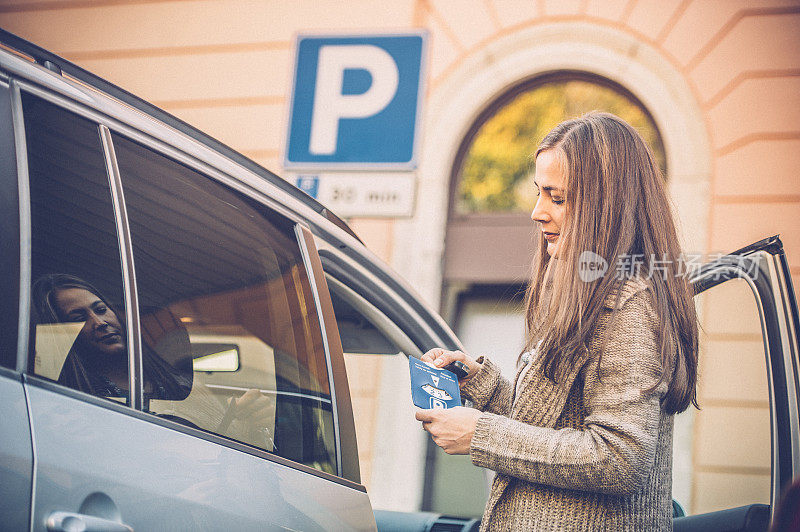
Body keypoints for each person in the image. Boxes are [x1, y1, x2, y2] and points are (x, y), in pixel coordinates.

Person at [416, 112, 699, 531]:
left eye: (557, 198)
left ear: (606, 206)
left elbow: (620, 457)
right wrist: (482, 385)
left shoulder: (631, 307)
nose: (537, 212)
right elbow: (558, 421)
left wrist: (482, 434)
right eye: (539, 193)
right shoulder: (586, 293)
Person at [31, 273, 274, 449]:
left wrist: (250, 423)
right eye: (79, 317)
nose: (99, 322)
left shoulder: (180, 385)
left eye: (101, 309)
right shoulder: (72, 401)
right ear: (60, 333)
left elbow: (226, 445)